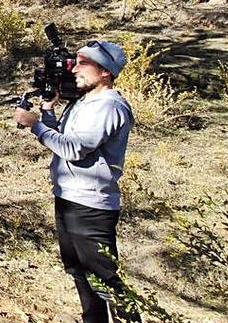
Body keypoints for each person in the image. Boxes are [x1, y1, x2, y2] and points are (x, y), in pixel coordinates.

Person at [14, 40, 141, 323]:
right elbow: (62, 136)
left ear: (105, 71)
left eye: (84, 64)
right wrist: (47, 112)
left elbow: (73, 148)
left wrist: (34, 124)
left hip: (91, 206)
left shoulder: (109, 105)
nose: (74, 69)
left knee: (105, 279)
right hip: (69, 198)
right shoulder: (84, 102)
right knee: (79, 272)